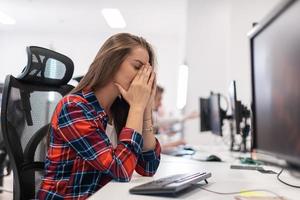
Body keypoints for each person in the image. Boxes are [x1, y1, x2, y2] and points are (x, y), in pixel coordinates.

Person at [37, 33, 161, 199]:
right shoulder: (74, 107)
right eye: (138, 67)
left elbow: (148, 168)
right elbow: (121, 170)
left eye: (147, 72)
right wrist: (137, 107)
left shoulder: (120, 108)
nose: (143, 78)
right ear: (112, 62)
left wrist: (145, 108)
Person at [153, 85, 198, 153]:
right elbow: (151, 147)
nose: (160, 103)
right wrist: (175, 143)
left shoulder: (153, 115)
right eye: (159, 99)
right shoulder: (148, 117)